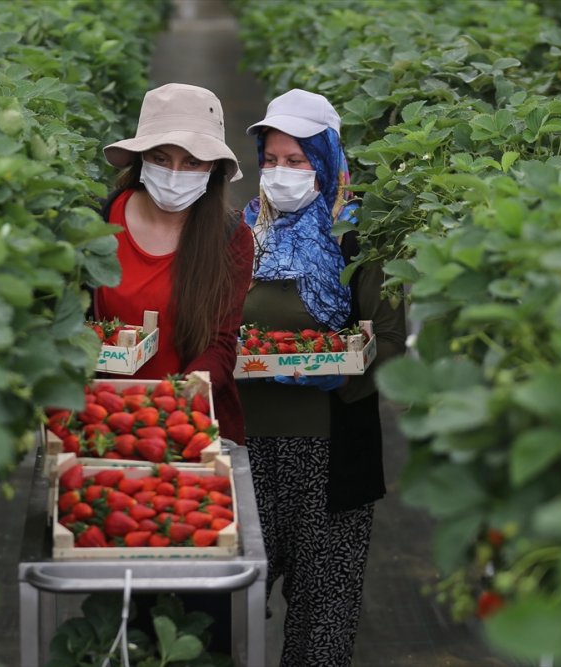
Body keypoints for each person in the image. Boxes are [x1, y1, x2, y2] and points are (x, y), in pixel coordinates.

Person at [238, 89, 408, 666]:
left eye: (297, 160)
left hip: (332, 452)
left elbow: (387, 340)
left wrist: (340, 372)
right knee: (234, 602)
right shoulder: (241, 237)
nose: (280, 174)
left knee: (323, 616)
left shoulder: (359, 241)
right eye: (271, 159)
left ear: (330, 162)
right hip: (245, 448)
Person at [95, 82, 255, 448]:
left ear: (212, 168)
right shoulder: (99, 223)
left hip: (191, 427)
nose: (174, 172)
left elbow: (220, 340)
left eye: (192, 162)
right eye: (161, 158)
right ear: (141, 159)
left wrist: (177, 401)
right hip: (102, 421)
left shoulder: (230, 237)